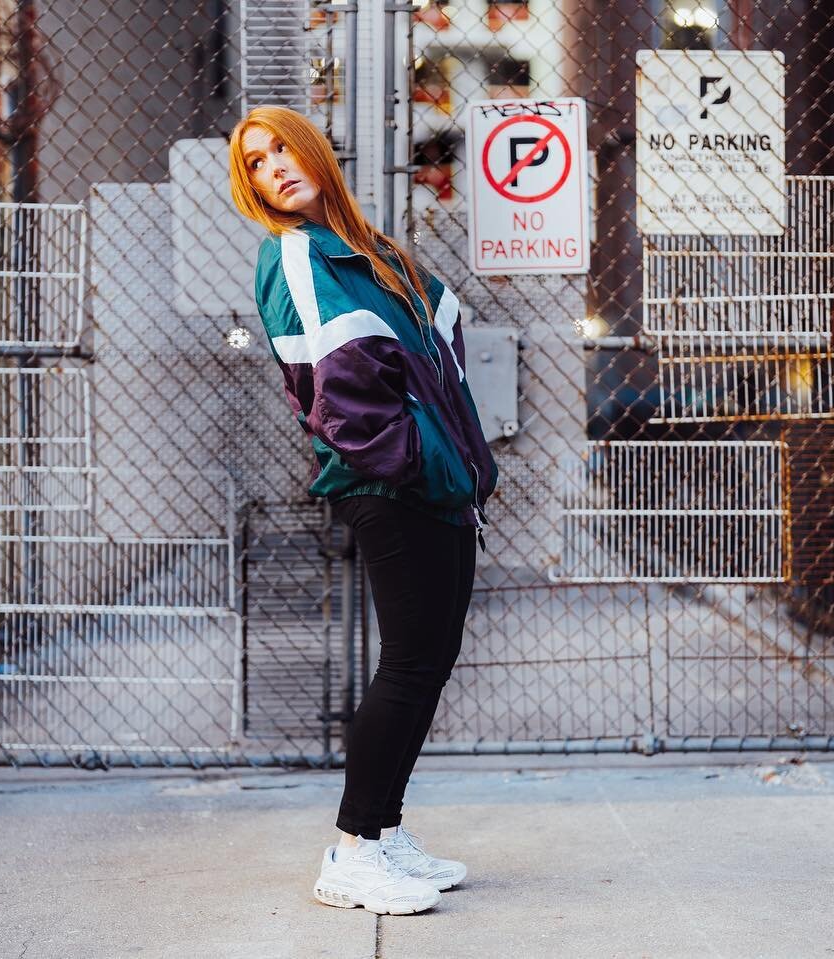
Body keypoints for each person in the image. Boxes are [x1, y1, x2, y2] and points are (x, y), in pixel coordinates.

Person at [228, 105, 499, 916]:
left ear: (312, 151)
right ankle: (352, 851)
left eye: (281, 147)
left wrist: (460, 469)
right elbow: (333, 390)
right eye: (256, 162)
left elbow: (447, 364)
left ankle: (383, 829)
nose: (274, 165)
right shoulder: (297, 256)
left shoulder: (380, 256)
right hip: (386, 485)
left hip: (439, 482)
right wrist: (413, 464)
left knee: (432, 655)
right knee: (411, 659)